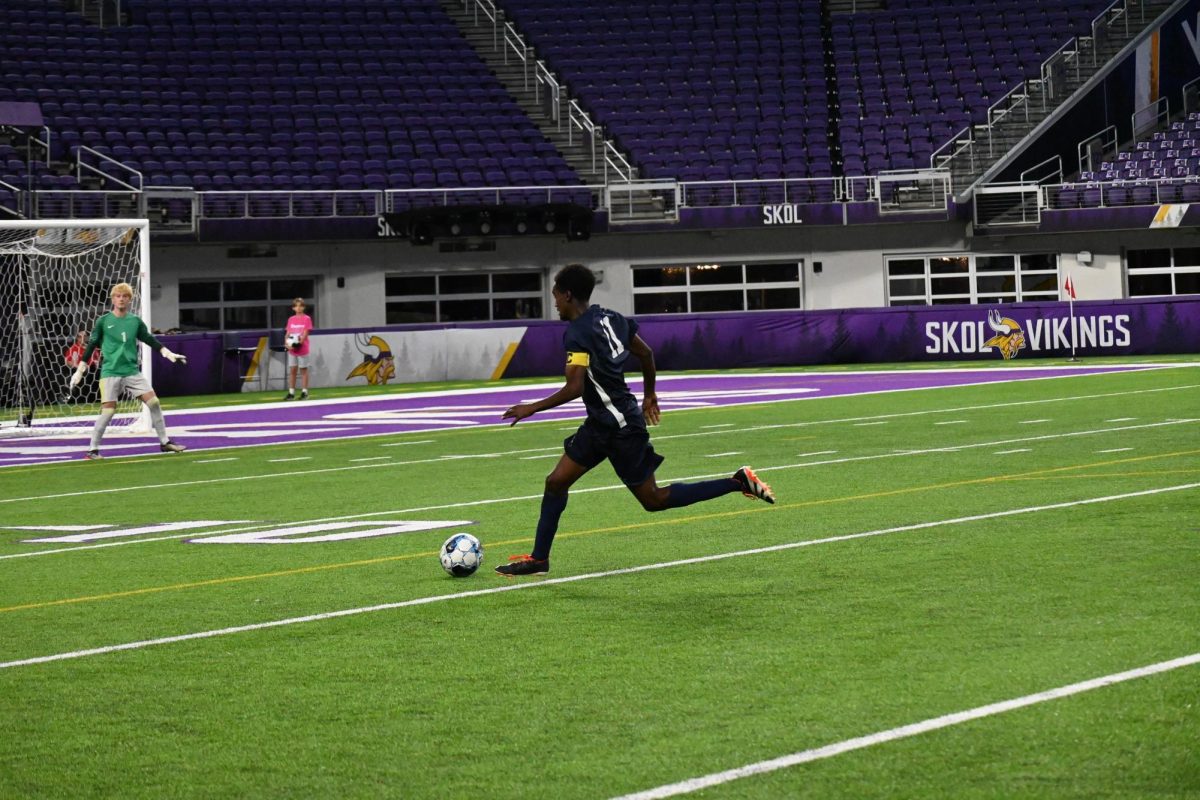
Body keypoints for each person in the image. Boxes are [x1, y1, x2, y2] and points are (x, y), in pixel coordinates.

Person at [495, 264, 775, 576]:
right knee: (556, 482)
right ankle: (539, 559)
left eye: (556, 296)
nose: (555, 302)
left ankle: (737, 482)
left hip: (621, 428)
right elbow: (646, 353)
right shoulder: (611, 318)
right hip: (602, 423)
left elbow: (574, 387)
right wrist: (650, 395)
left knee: (653, 500)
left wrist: (531, 408)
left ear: (568, 294)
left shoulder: (576, 333)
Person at [70, 282, 189, 460]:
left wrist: (167, 353)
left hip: (131, 371)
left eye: (125, 296)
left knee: (154, 402)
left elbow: (149, 339)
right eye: (118, 296)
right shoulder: (103, 321)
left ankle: (165, 442)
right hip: (110, 372)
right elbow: (91, 346)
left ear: (129, 299)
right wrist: (80, 370)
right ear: (113, 299)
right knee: (108, 412)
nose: (121, 299)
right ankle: (92, 450)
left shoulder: (135, 322)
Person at [283, 297, 313, 400]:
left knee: (303, 370)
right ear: (293, 308)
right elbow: (288, 333)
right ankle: (291, 393)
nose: (298, 308)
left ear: (304, 307)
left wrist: (298, 343)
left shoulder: (307, 319)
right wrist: (287, 343)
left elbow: (305, 333)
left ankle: (304, 392)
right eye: (296, 306)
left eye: (300, 305)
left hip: (302, 348)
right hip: (292, 350)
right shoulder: (291, 319)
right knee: (292, 370)